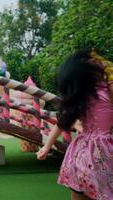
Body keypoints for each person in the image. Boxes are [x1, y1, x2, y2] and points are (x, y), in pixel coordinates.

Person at [37, 49, 113, 200]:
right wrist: (46, 146)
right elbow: (64, 121)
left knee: (80, 191)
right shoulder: (99, 90)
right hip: (103, 150)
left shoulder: (85, 93)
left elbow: (63, 121)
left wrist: (46, 146)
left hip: (82, 153)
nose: (100, 62)